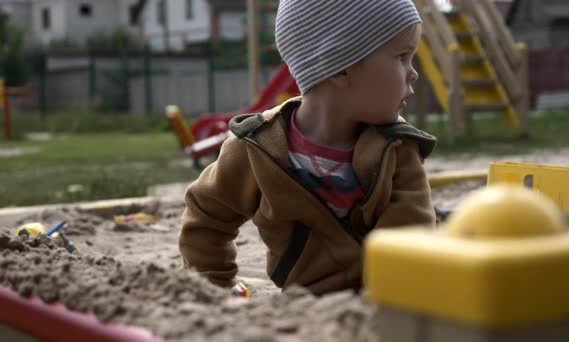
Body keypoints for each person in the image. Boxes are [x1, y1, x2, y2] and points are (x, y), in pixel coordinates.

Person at [179, 0, 437, 295]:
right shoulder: (257, 148)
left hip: (380, 302)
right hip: (304, 307)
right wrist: (213, 288)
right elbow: (207, 214)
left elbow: (412, 242)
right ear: (341, 68)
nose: (413, 72)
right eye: (402, 57)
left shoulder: (397, 150)